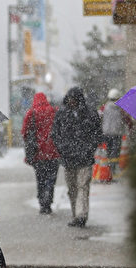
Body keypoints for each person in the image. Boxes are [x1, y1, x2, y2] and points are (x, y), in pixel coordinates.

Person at [51, 87, 103, 228]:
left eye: (74, 99)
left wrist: (89, 149)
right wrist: (63, 149)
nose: (71, 102)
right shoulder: (62, 114)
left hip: (84, 158)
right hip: (69, 159)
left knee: (82, 186)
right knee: (72, 188)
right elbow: (55, 134)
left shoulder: (89, 113)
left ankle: (81, 215)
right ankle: (76, 214)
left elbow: (97, 133)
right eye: (70, 99)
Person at [21, 92, 60, 214]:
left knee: (40, 178)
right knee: (51, 178)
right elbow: (60, 128)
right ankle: (49, 198)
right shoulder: (54, 111)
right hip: (53, 152)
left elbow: (24, 132)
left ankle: (43, 202)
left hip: (38, 153)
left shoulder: (31, 113)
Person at [101, 88, 130, 175]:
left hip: (106, 133)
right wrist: (130, 126)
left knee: (108, 151)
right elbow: (127, 120)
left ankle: (108, 169)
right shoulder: (121, 108)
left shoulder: (104, 107)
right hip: (117, 133)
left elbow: (98, 117)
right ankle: (112, 169)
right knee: (115, 152)